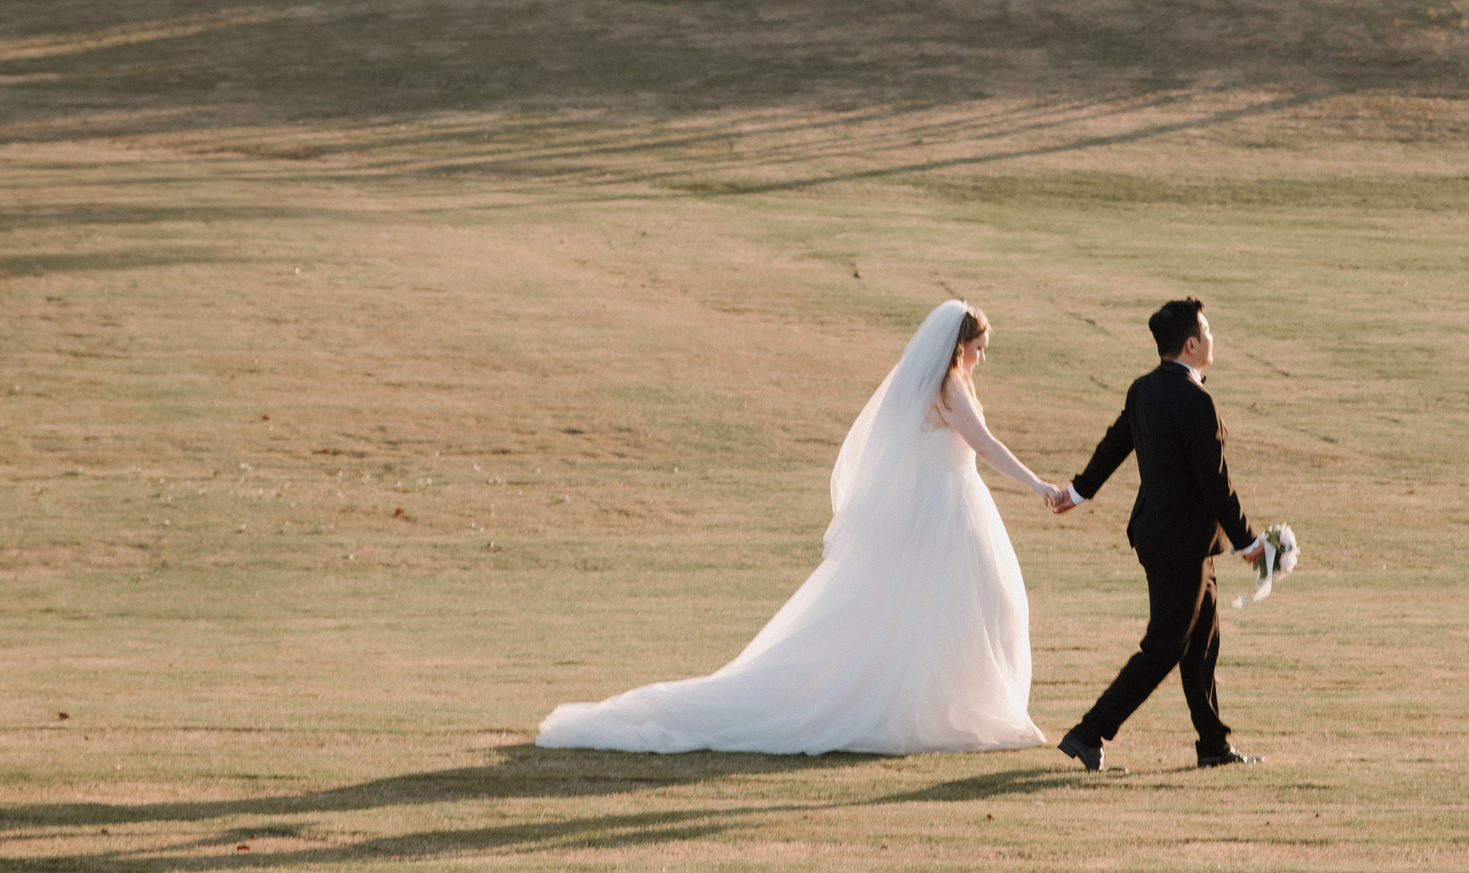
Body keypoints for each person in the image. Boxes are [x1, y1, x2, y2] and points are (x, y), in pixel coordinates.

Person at [537, 302, 1057, 755]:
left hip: (947, 509)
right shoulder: (946, 386)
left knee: (966, 610)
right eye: (979, 347)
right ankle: (950, 712)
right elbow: (984, 446)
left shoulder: (943, 384)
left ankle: (955, 708)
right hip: (947, 510)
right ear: (957, 346)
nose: (982, 357)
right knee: (978, 608)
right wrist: (1038, 485)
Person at [1048, 297, 1266, 772]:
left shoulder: (1143, 389)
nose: (1212, 339)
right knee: (1165, 644)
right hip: (1180, 544)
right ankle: (1089, 732)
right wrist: (1249, 542)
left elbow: (1116, 442)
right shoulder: (1196, 401)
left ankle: (1213, 744)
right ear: (1191, 344)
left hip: (1167, 539)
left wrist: (1080, 491)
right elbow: (1215, 482)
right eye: (1206, 332)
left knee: (1202, 640)